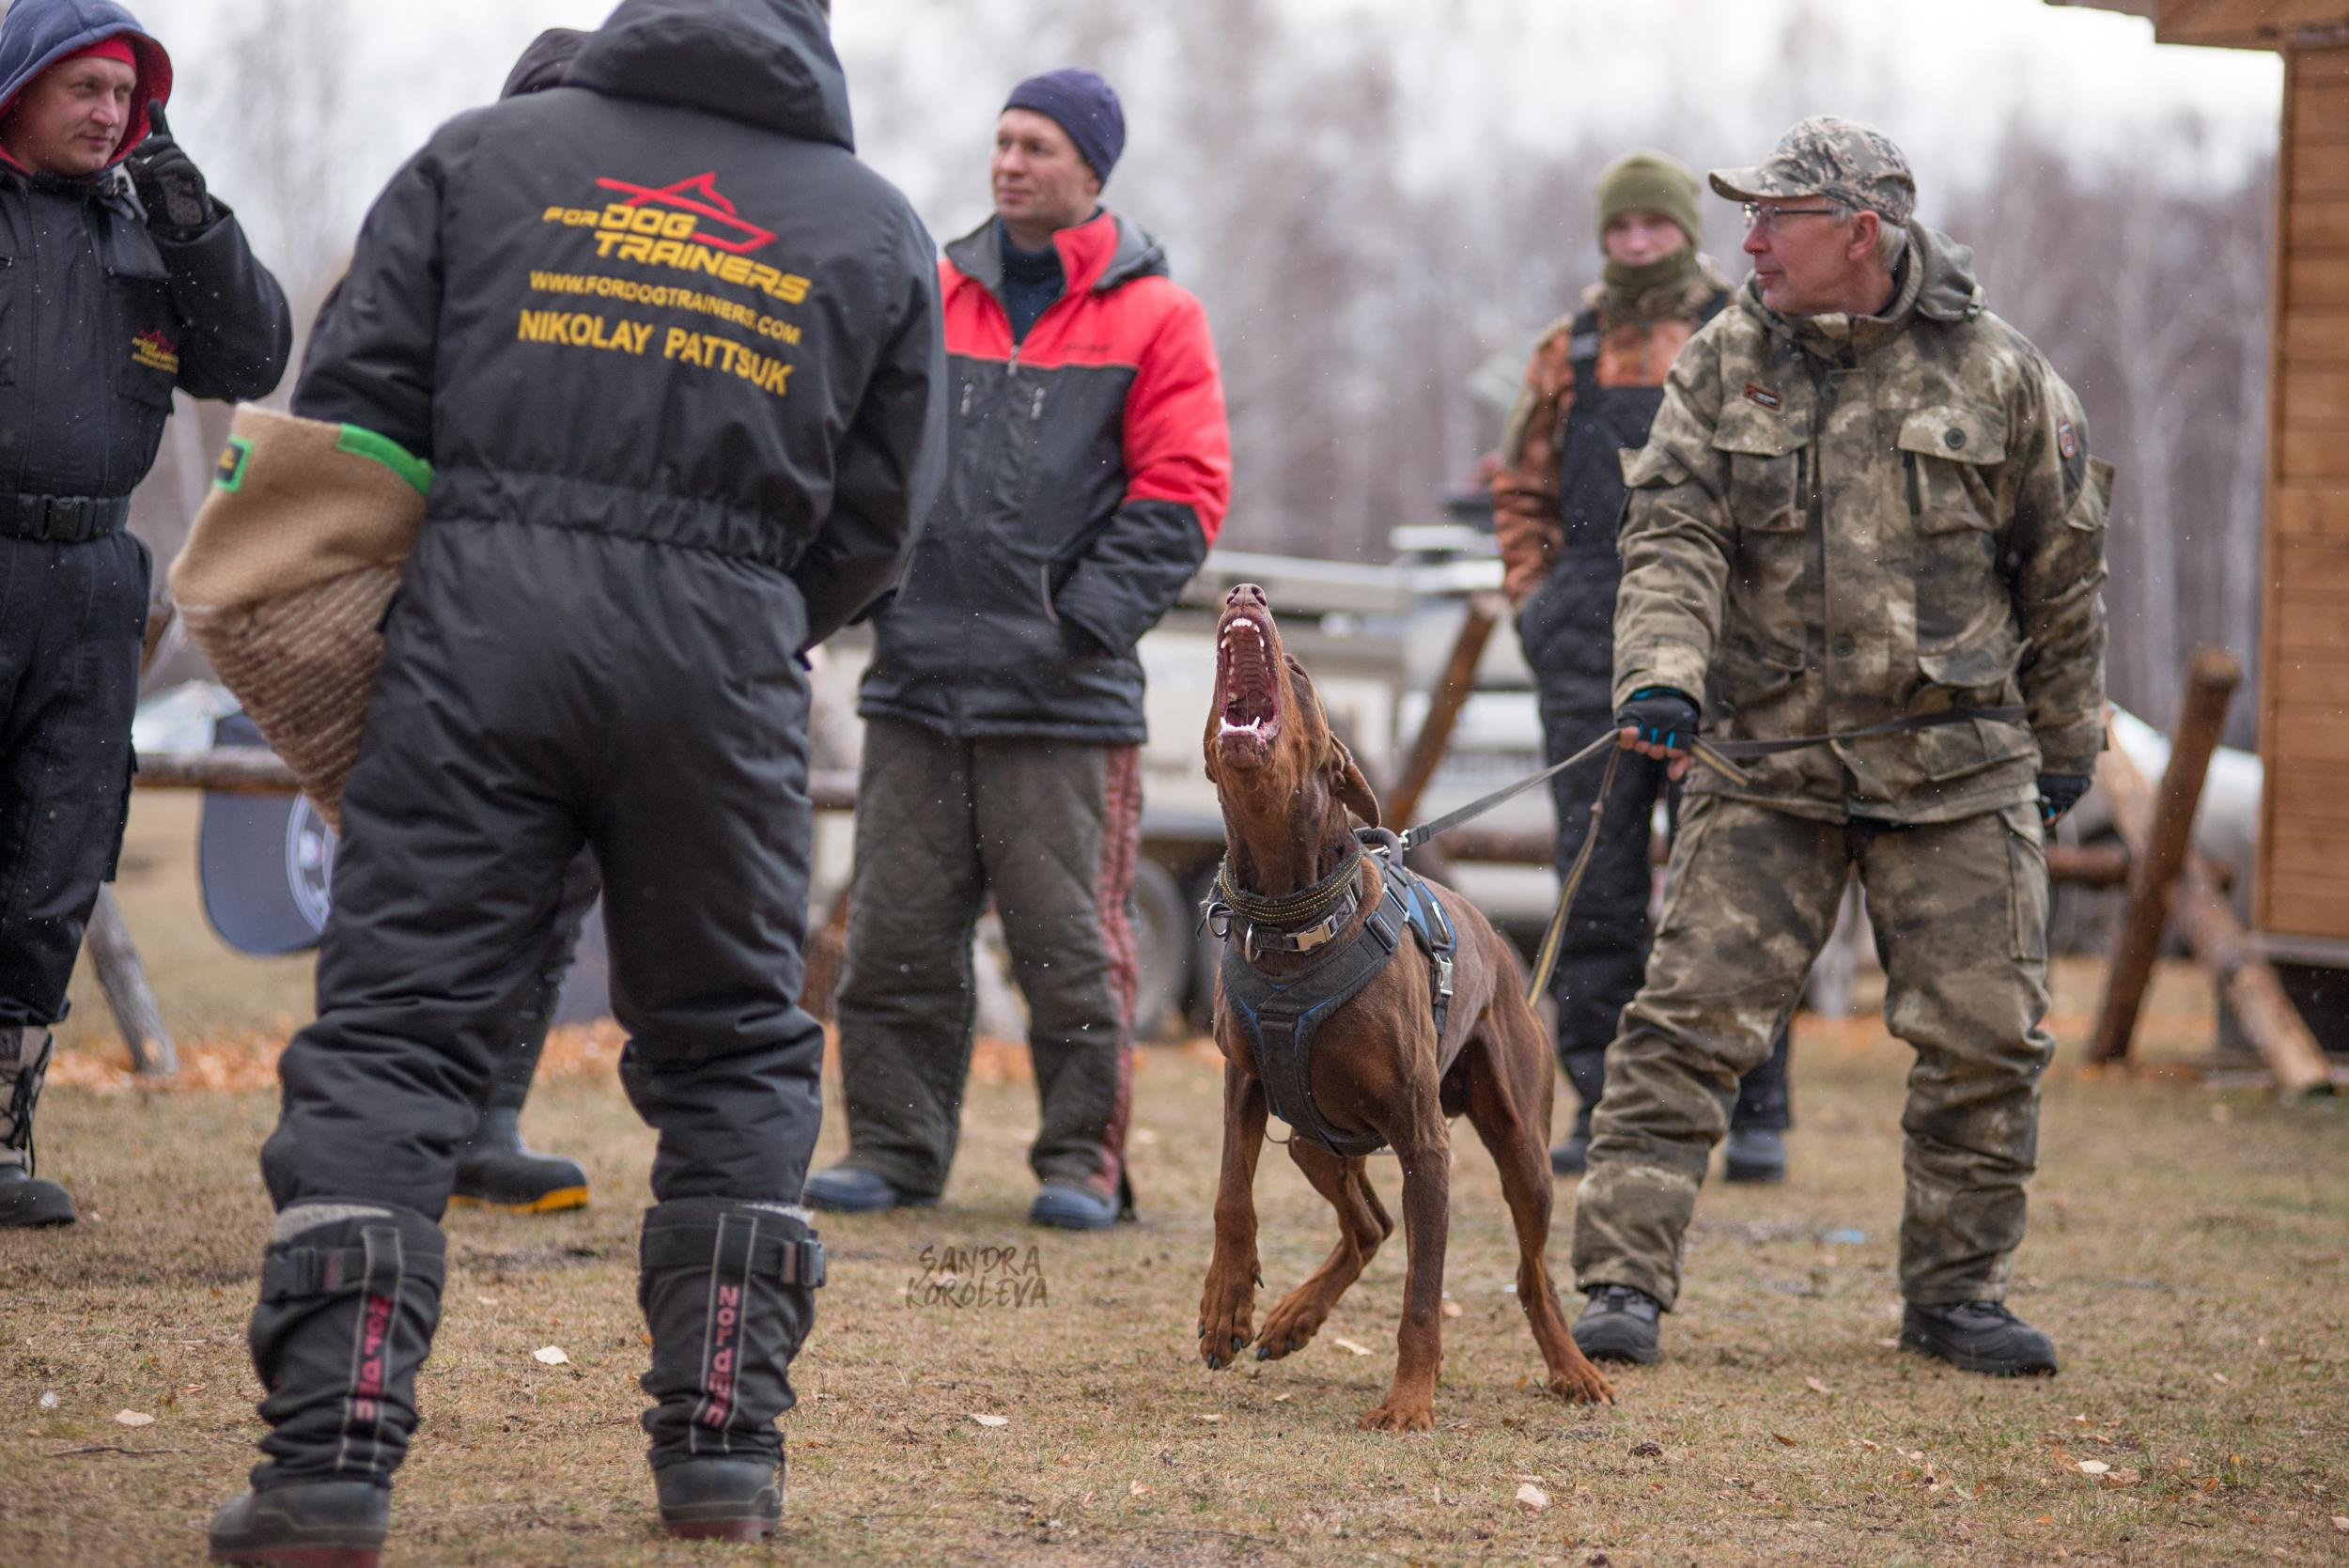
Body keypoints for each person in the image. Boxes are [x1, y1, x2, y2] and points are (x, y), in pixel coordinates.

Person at [207, 1, 945, 1560]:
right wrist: (747, 608)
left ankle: (330, 1463)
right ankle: (723, 1459)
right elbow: (883, 515)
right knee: (737, 1043)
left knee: (399, 1031)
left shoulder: (484, 155)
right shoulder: (873, 225)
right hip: (732, 654)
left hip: (476, 633)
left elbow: (350, 411)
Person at [1566, 117, 2110, 1378]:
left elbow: (2066, 573)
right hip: (1763, 766)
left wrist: (2066, 742)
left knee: (1988, 1039)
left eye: (1777, 218)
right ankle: (1622, 1284)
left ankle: (1957, 1295)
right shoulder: (1719, 365)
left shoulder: (2003, 375)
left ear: (1860, 233)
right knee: (1683, 1025)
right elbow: (1672, 539)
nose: (1745, 240)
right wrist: (1662, 676)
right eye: (1746, 216)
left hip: (1958, 773)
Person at [809, 69, 1231, 1231]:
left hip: (1063, 695)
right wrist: (865, 595)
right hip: (916, 683)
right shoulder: (927, 289)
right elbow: (862, 456)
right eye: (1000, 141)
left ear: (1092, 170)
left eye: (1037, 145)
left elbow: (1184, 494)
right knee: (893, 937)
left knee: (1067, 950)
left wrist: (1077, 624)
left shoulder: (1159, 315)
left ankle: (1079, 1164)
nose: (1009, 162)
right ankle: (893, 1151)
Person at [0, 0, 289, 1229]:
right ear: (18, 88)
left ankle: (2, 1140)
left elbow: (254, 354)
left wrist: (192, 211)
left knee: (55, 863)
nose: (110, 113)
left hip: (100, 579)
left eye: (127, 93)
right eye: (85, 88)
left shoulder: (148, 224)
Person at [1490, 149, 1795, 1186]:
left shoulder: (1744, 334)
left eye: (1651, 227)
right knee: (1596, 881)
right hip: (1585, 639)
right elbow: (1520, 488)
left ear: (1683, 231)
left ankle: (1755, 1106)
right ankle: (1599, 1097)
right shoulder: (1565, 350)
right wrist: (1535, 602)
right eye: (1617, 229)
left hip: (1726, 642)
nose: (1633, 244)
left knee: (1737, 879)